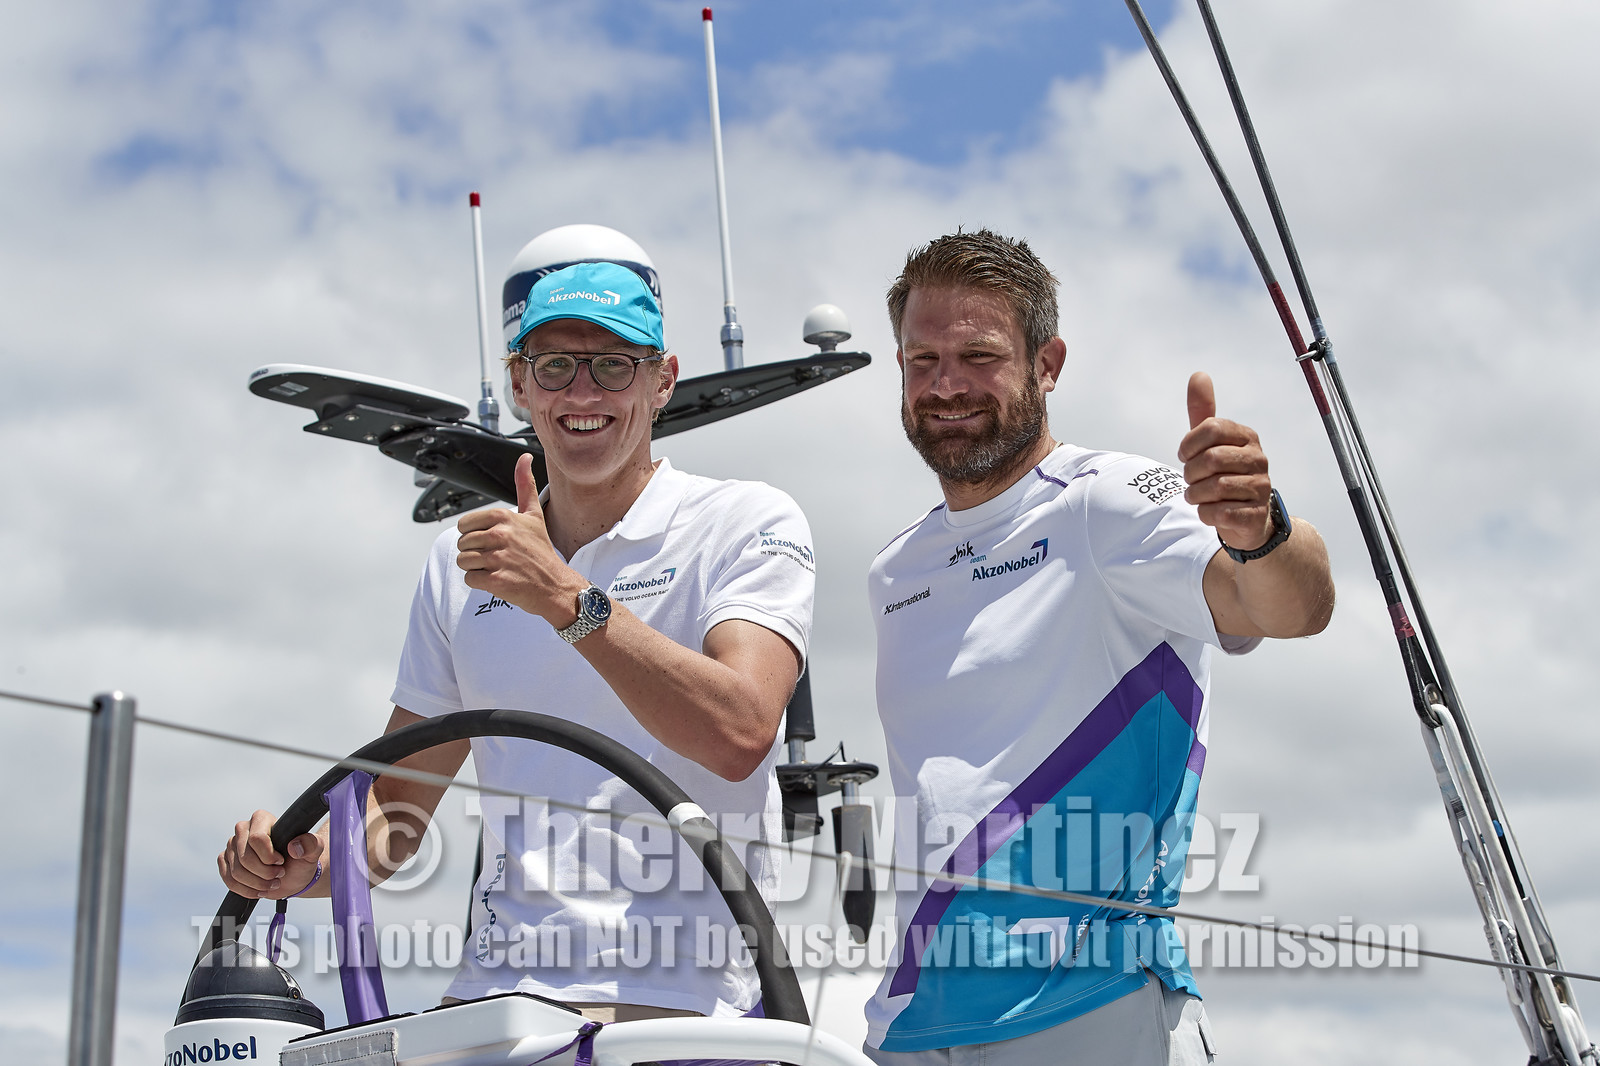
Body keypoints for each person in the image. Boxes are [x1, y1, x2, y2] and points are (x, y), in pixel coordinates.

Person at [220, 261, 816, 1021]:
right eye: (556, 367)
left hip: (678, 1005)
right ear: (520, 385)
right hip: (495, 1004)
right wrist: (299, 861)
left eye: (613, 366)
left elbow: (739, 732)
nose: (583, 393)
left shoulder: (746, 522)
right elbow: (395, 815)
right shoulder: (458, 564)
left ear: (662, 381)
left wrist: (564, 599)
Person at [863, 230, 1335, 1064]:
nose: (946, 385)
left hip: (1097, 1000)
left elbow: (1289, 607)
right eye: (922, 360)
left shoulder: (1104, 502)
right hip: (921, 1018)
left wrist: (1261, 530)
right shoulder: (895, 569)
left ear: (1048, 364)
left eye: (979, 355)